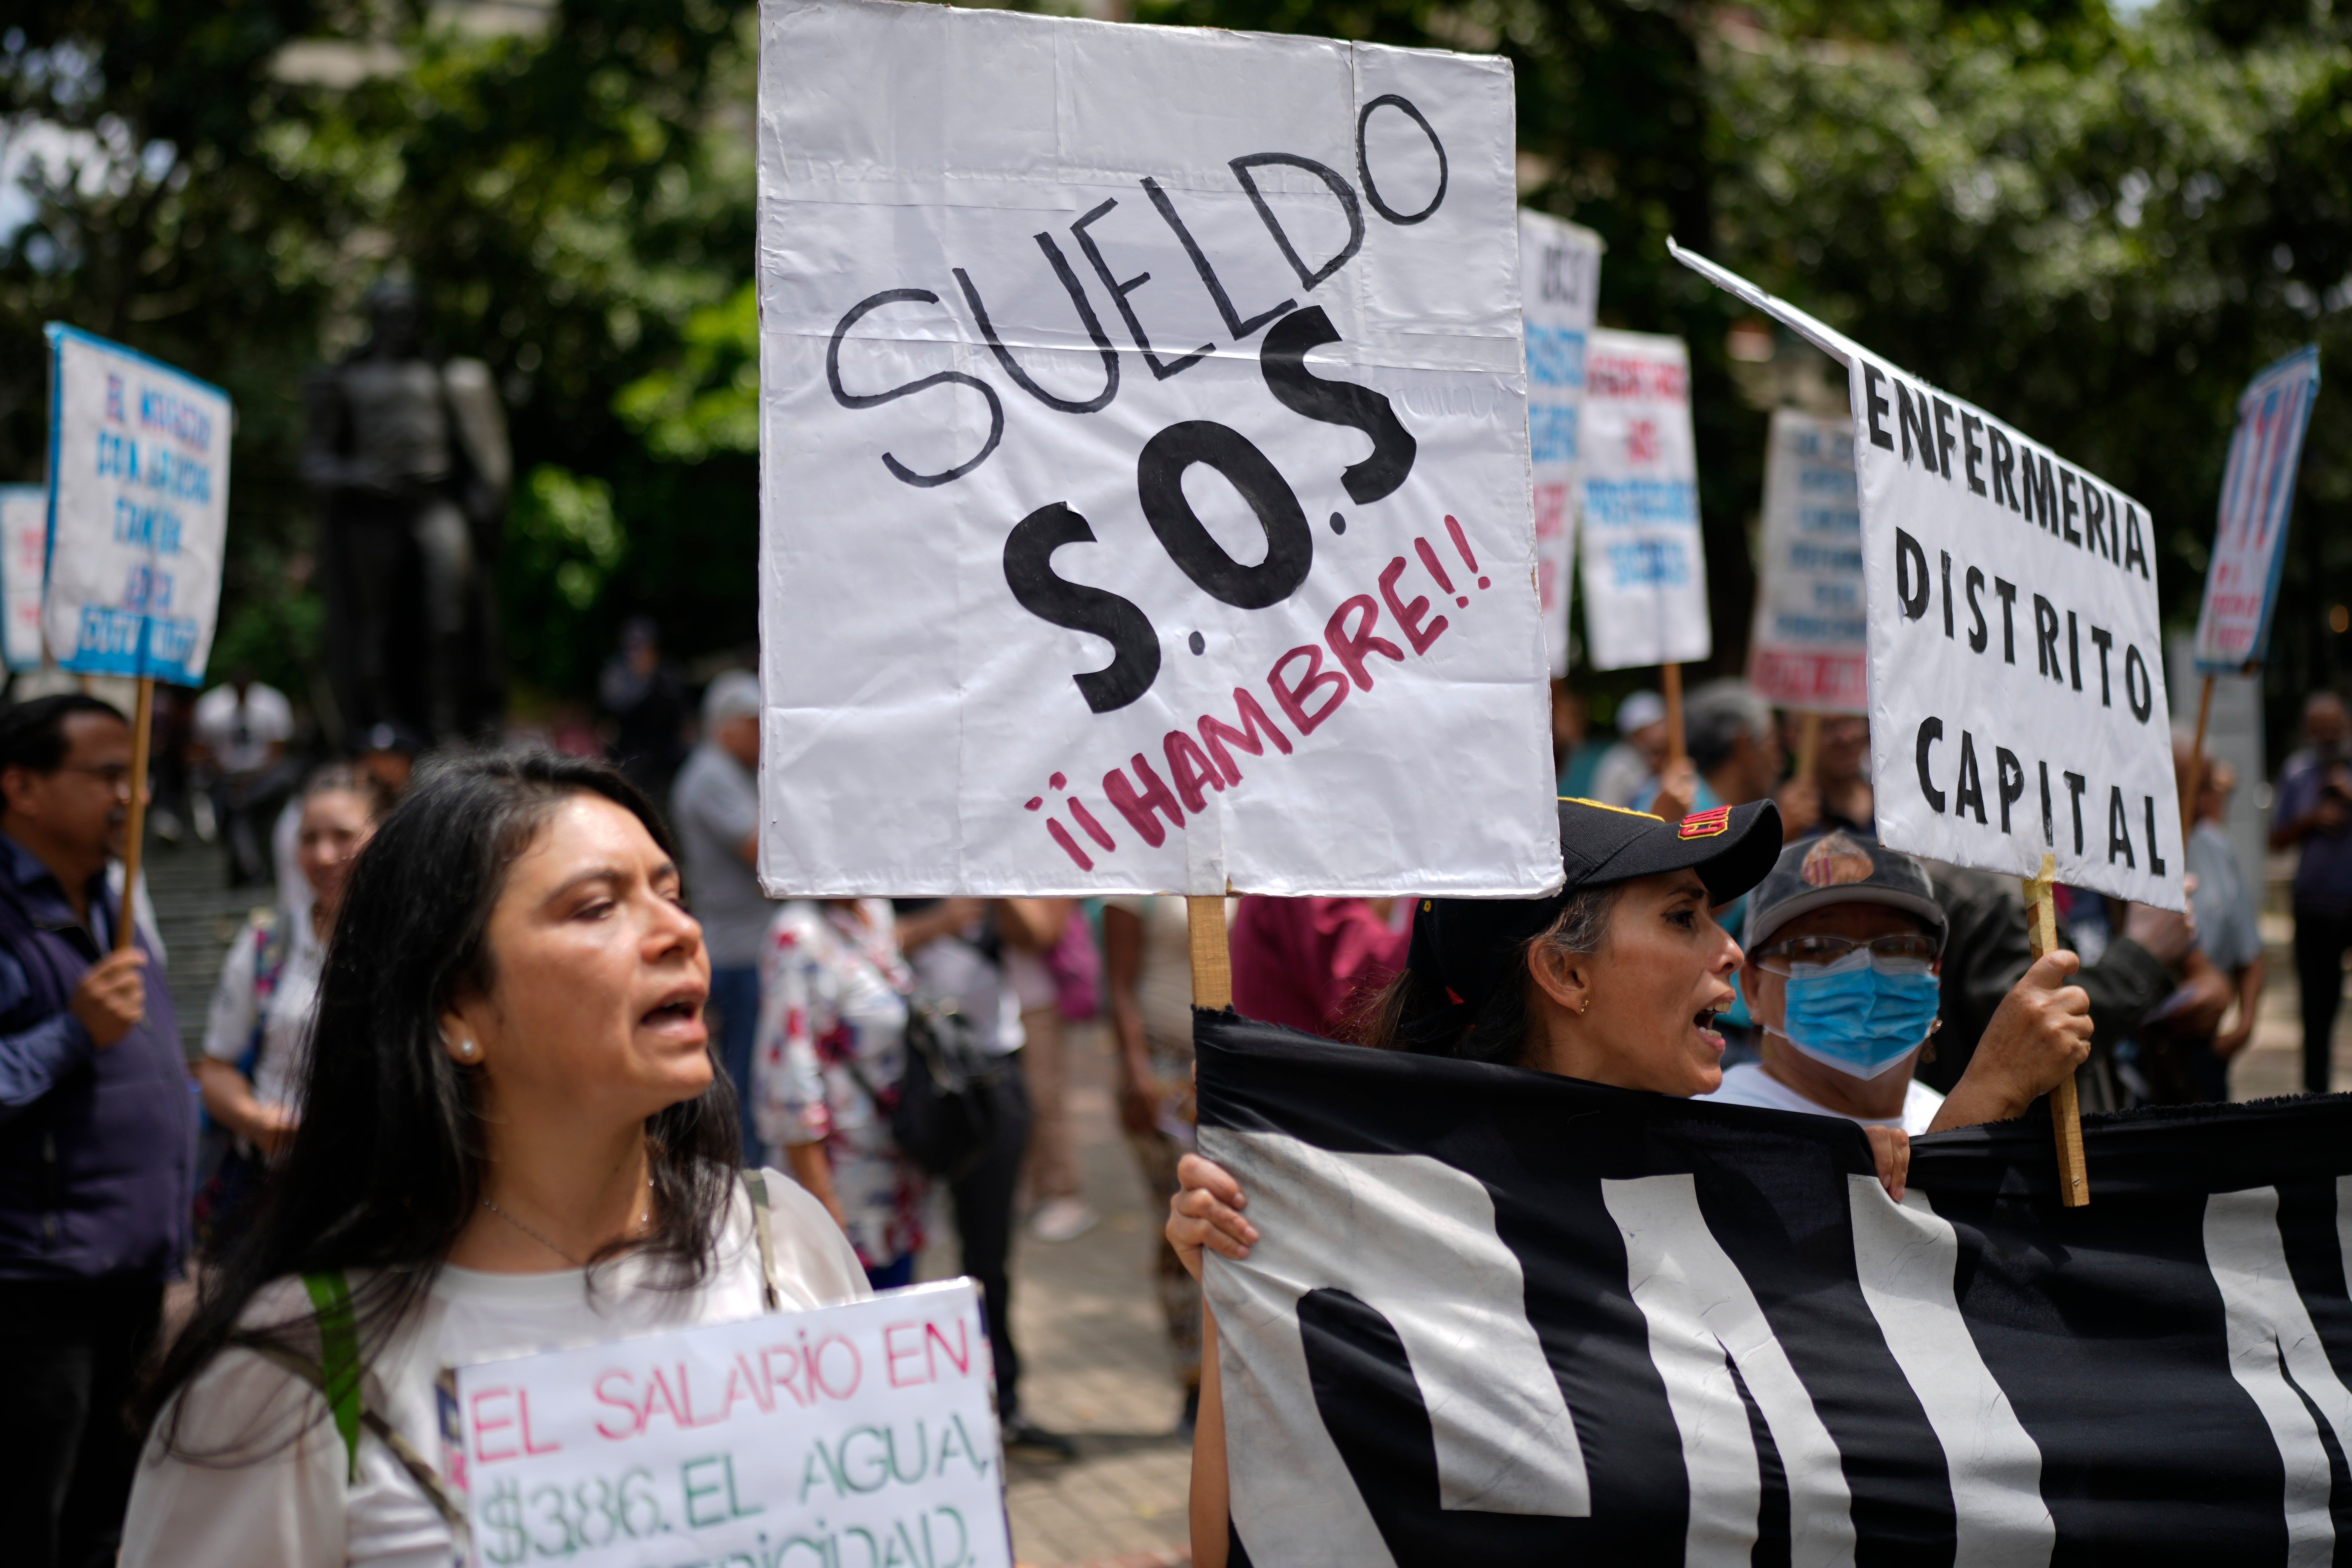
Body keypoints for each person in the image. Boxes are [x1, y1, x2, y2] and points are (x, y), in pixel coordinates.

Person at [1168, 798, 2093, 1566]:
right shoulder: (1383, 1221)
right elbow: (1241, 1538)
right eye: (1681, 915)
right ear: (1564, 971)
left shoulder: (1750, 1185)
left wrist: (1946, 1145)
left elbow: (1898, 1430)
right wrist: (1241, 1304)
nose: (1729, 952)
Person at [121, 752, 868, 1564]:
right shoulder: (288, 1371)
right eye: (595, 908)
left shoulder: (777, 1238)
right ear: (454, 1009)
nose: (679, 933)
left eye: (671, 892)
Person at [0, 694, 189, 1568]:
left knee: (113, 1521)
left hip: (134, 1272)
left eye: (139, 775)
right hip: (38, 1287)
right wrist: (74, 1032)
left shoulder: (113, 902)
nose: (132, 796)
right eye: (109, 774)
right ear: (22, 787)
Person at [1698, 832, 2090, 1132]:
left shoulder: (1957, 1121)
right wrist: (1996, 1085)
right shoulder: (1714, 1127)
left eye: (1899, 946)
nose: (1864, 970)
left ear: (1934, 975)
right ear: (1752, 987)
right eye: (1818, 947)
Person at [893, 896, 1075, 1460]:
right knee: (899, 1259)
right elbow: (869, 945)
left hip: (992, 1074)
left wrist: (993, 874)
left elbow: (1040, 931)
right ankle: (902, 1419)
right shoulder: (884, 844)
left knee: (989, 1257)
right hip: (905, 1077)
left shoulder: (992, 855)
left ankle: (1003, 1402)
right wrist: (946, 920)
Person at [195, 766, 392, 1246]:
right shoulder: (267, 944)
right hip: (274, 1199)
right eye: (309, 838)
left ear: (386, 835)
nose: (324, 855)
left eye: (343, 835)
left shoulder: (415, 944)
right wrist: (253, 1119)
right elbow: (216, 1067)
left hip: (387, 1199)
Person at [1912, 859, 2193, 1110]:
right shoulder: (1993, 891)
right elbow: (2035, 1037)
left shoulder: (2079, 870)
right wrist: (2140, 958)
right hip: (2020, 1150)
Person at [754, 897, 929, 1288]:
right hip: (839, 1186)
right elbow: (788, 1079)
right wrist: (825, 1209)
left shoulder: (875, 911)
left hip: (897, 1179)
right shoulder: (797, 932)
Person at [1103, 895, 1222, 1427]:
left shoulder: (1242, 846)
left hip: (1226, 1064)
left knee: (1230, 1228)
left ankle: (1232, 1380)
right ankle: (1193, 1380)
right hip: (1162, 1068)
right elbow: (1120, 983)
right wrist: (1136, 1073)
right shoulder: (1135, 867)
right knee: (1178, 1229)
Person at [670, 671, 772, 1154]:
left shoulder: (726, 772)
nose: (762, 733)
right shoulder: (712, 775)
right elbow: (765, 851)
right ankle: (748, 1186)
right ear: (726, 727)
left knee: (754, 1077)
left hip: (747, 944)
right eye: (753, 723)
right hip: (738, 950)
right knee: (747, 1080)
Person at [2272, 690, 2352, 1093]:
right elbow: (2276, 840)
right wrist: (2311, 818)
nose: (2327, 735)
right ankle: (2316, 1096)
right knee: (2316, 1008)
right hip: (2313, 908)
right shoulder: (2297, 772)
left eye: (2333, 727)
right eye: (2319, 728)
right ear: (2308, 731)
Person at [1003, 899, 1089, 1243]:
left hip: (1038, 1003)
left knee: (1043, 1099)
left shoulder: (1042, 870)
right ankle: (1027, 1190)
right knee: (1012, 1102)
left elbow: (1041, 934)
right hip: (992, 1005)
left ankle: (1063, 1194)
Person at [1229, 894, 1412, 1039]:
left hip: (1289, 1071)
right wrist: (1433, 901)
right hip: (1297, 1077)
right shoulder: (1297, 875)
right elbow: (1377, 993)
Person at [192, 669, 298, 888]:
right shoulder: (211, 705)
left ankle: (254, 868)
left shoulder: (273, 703)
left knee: (248, 807)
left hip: (264, 778)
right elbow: (204, 749)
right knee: (234, 812)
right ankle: (248, 869)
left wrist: (250, 780)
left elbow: (278, 750)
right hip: (226, 778)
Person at [599, 616, 690, 805]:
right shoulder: (615, 675)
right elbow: (616, 710)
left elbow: (683, 714)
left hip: (667, 757)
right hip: (631, 757)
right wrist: (644, 681)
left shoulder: (667, 672)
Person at [1586, 690, 1667, 808]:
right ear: (1635, 733)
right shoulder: (1617, 766)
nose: (1662, 732)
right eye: (1653, 726)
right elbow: (1606, 816)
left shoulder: (1669, 760)